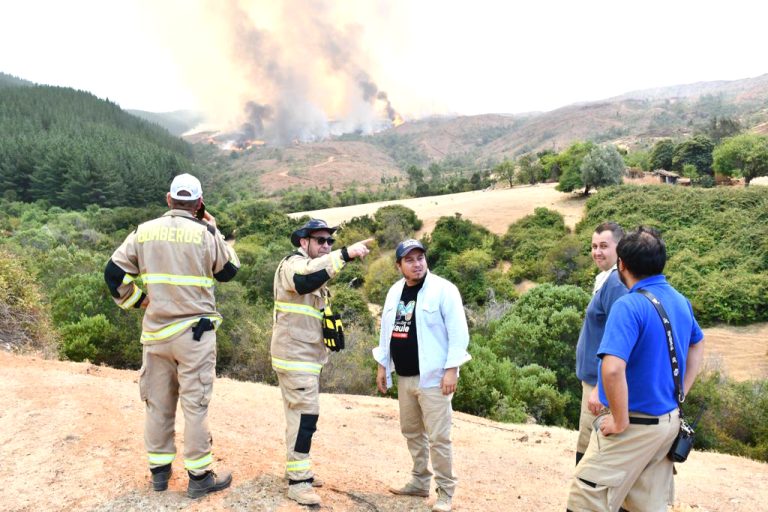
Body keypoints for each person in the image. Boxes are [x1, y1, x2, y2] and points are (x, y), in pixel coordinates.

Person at [104, 173, 240, 499]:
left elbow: (112, 274)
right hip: (195, 336)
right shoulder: (205, 233)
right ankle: (200, 477)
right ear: (198, 203)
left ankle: (160, 475)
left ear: (168, 200)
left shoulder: (143, 232)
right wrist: (215, 228)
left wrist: (137, 300)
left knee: (157, 405)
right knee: (195, 406)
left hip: (156, 335)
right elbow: (229, 271)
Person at [567, 227, 705, 512]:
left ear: (622, 265)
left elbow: (613, 368)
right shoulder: (680, 300)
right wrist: (682, 394)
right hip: (667, 423)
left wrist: (619, 420)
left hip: (635, 423)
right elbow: (697, 346)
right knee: (644, 503)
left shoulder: (628, 306)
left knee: (586, 496)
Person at [271, 219, 373, 506]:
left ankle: (298, 471)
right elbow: (304, 281)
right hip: (294, 359)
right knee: (305, 419)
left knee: (298, 417)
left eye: (330, 241)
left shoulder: (313, 267)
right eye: (321, 240)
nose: (327, 245)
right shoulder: (293, 264)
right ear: (304, 242)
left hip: (304, 358)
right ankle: (299, 482)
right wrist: (344, 254)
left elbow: (316, 280)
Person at [374, 239, 471, 512]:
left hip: (434, 378)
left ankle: (446, 491)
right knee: (411, 431)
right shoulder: (394, 292)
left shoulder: (444, 290)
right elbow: (386, 332)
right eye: (410, 260)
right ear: (399, 265)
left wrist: (452, 369)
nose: (417, 264)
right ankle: (419, 481)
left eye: (420, 258)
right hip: (405, 376)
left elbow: (458, 333)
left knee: (439, 437)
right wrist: (383, 364)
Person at [574, 222, 627, 465]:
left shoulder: (616, 283)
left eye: (604, 246)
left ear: (620, 248)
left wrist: (599, 387)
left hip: (599, 383)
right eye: (594, 246)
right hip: (594, 379)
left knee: (591, 444)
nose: (597, 252)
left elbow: (615, 339)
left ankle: (585, 499)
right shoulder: (606, 279)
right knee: (587, 440)